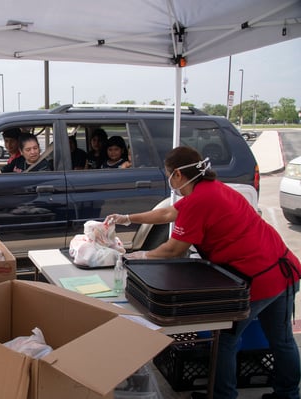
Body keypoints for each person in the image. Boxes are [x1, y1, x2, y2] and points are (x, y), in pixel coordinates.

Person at [107, 146, 300, 399]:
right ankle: (289, 394)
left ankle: (223, 396)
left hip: (256, 280)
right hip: (283, 268)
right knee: (282, 340)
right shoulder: (213, 190)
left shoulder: (200, 200)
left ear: (177, 174)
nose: (169, 178)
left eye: (168, 173)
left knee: (226, 342)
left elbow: (173, 250)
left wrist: (137, 256)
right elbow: (168, 212)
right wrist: (127, 218)